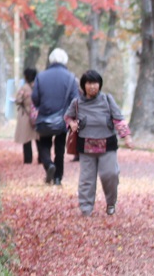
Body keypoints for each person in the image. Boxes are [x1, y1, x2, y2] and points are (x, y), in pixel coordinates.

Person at [65, 70, 133, 216]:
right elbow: (67, 117)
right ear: (84, 85)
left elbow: (118, 119)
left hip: (107, 145)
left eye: (95, 83)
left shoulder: (107, 100)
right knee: (86, 180)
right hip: (86, 145)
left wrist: (126, 136)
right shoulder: (77, 103)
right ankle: (86, 208)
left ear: (100, 85)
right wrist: (72, 124)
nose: (92, 86)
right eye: (89, 83)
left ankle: (111, 202)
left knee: (110, 174)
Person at [32, 48, 79, 185]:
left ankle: (48, 164)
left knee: (44, 145)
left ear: (51, 60)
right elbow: (75, 99)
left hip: (44, 117)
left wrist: (43, 106)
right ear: (65, 60)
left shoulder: (41, 76)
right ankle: (58, 178)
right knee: (60, 149)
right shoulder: (70, 77)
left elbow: (35, 98)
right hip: (62, 120)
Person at [14, 68, 38, 164]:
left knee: (26, 139)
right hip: (37, 115)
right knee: (38, 138)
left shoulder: (24, 88)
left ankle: (28, 159)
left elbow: (18, 100)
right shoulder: (38, 87)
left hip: (26, 115)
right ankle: (42, 158)